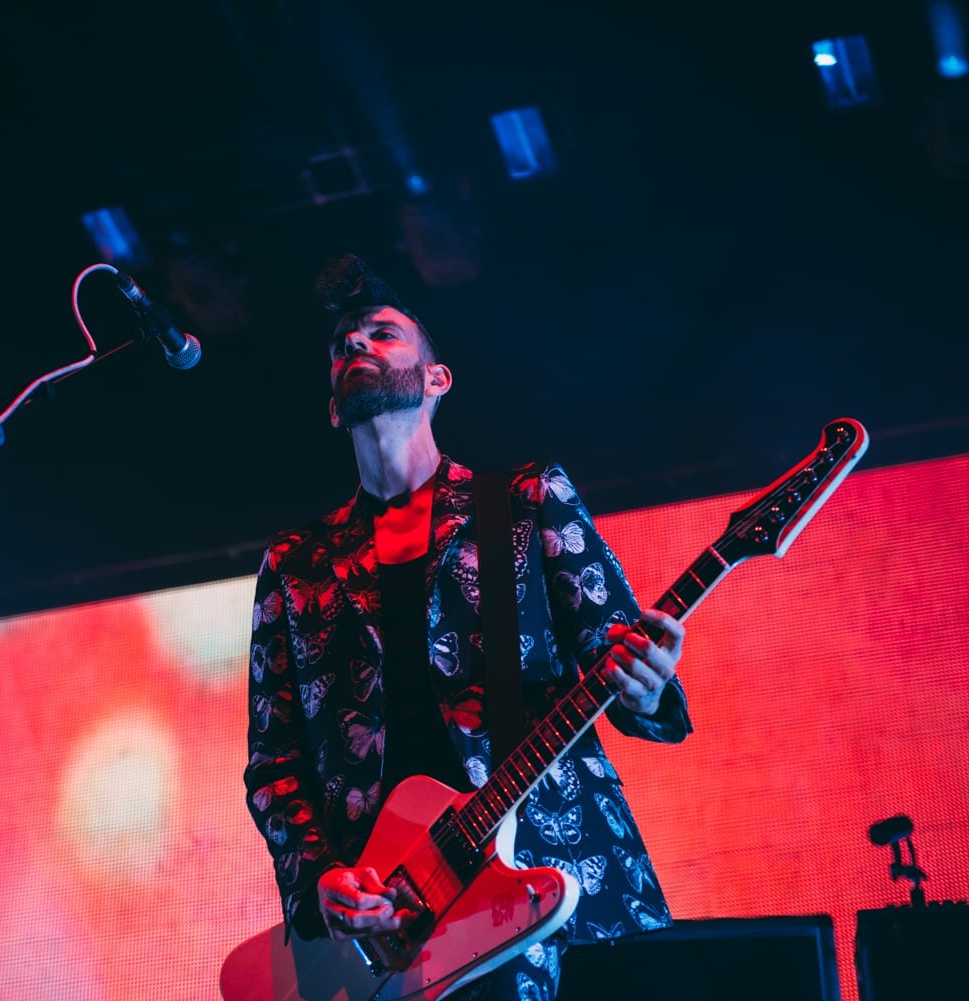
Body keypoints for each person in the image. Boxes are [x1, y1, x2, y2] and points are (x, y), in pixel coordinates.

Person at [242, 254, 693, 1000]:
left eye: (382, 334)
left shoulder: (520, 500)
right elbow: (274, 761)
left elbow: (620, 656)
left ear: (436, 378)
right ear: (330, 407)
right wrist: (320, 877)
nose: (355, 346)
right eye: (341, 346)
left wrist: (649, 687)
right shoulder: (297, 565)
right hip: (389, 921)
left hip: (545, 877)